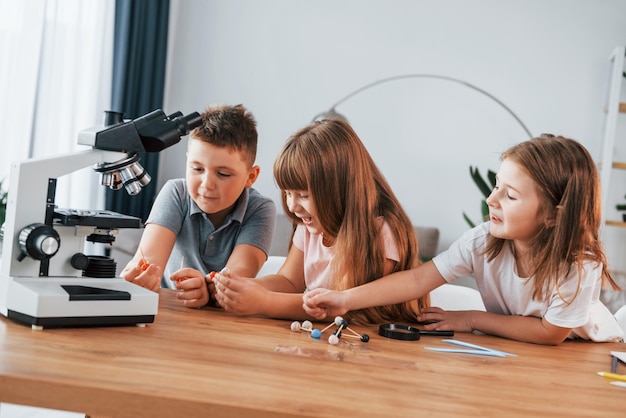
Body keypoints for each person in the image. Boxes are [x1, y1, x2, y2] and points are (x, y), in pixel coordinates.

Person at [303, 134, 625, 345]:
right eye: (496, 185)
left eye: (509, 196)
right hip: (526, 350)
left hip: (585, 353)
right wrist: (346, 299)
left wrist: (472, 319)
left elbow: (550, 333)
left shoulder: (579, 264)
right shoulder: (483, 241)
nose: (491, 199)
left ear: (554, 216)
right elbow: (418, 279)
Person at [211, 118, 429, 322]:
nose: (292, 206)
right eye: (287, 193)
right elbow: (289, 282)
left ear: (340, 189)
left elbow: (343, 308)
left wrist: (265, 302)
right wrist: (237, 288)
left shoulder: (381, 233)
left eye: (304, 195)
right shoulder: (310, 224)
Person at [121, 104, 276, 308]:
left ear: (251, 176)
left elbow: (235, 280)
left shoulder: (260, 209)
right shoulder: (176, 192)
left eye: (223, 174)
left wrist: (207, 289)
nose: (207, 184)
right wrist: (136, 276)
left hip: (223, 321)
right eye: (197, 168)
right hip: (170, 308)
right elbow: (147, 261)